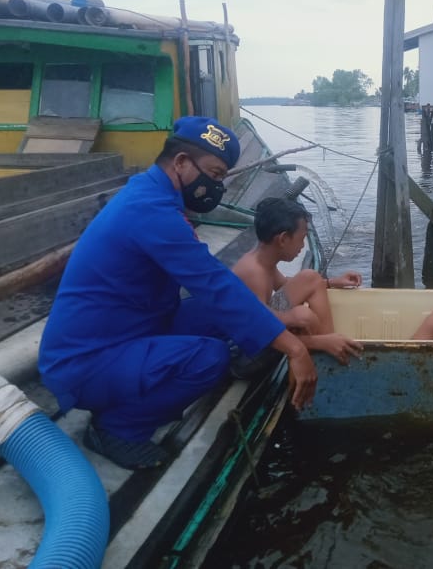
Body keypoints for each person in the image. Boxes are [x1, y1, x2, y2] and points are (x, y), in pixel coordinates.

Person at [38, 116, 317, 471]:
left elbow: (219, 291)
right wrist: (294, 348)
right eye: (214, 174)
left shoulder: (151, 192)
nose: (217, 186)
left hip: (129, 327)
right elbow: (214, 282)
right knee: (210, 357)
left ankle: (163, 385)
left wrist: (274, 333)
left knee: (218, 314)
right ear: (182, 163)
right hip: (86, 359)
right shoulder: (151, 212)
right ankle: (116, 428)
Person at [232, 196, 363, 365]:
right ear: (283, 239)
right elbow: (258, 328)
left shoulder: (264, 260)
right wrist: (294, 320)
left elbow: (286, 285)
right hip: (247, 353)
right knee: (304, 315)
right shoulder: (253, 271)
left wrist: (332, 282)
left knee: (311, 277)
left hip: (261, 326)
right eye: (302, 238)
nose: (302, 246)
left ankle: (331, 344)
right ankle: (326, 347)